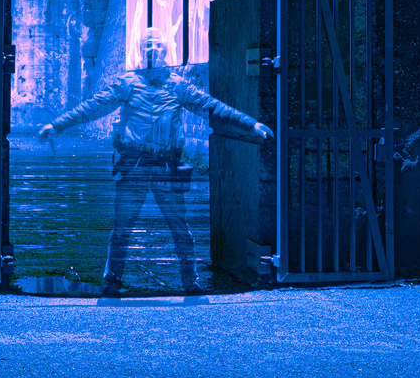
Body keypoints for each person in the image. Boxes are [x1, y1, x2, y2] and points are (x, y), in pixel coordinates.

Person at [38, 27, 273, 297]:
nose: (153, 51)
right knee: (122, 229)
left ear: (165, 51)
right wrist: (57, 125)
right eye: (148, 46)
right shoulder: (127, 84)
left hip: (166, 168)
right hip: (132, 167)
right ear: (141, 52)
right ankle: (112, 282)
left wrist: (250, 124)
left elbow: (212, 107)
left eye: (158, 46)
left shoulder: (177, 87)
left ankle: (190, 282)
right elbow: (93, 106)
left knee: (180, 229)